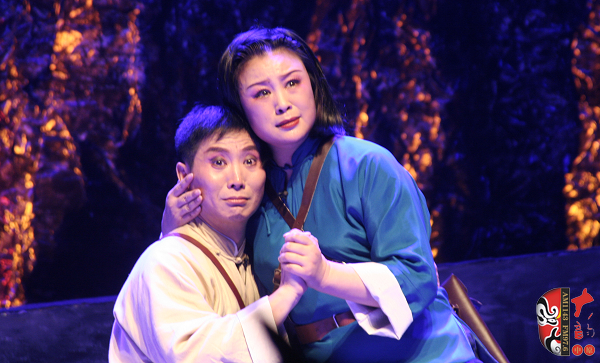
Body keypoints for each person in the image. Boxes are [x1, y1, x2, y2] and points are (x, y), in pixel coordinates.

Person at [162, 27, 492, 362]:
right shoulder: (250, 191)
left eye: (293, 82)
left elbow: (418, 277)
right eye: (261, 93)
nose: (282, 103)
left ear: (313, 85)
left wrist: (326, 274)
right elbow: (223, 278)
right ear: (240, 109)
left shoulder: (367, 165)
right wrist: (173, 233)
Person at [109, 105, 307, 363]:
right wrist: (287, 293)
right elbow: (196, 356)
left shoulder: (254, 256)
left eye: (249, 161)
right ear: (184, 175)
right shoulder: (165, 261)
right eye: (219, 162)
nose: (237, 179)